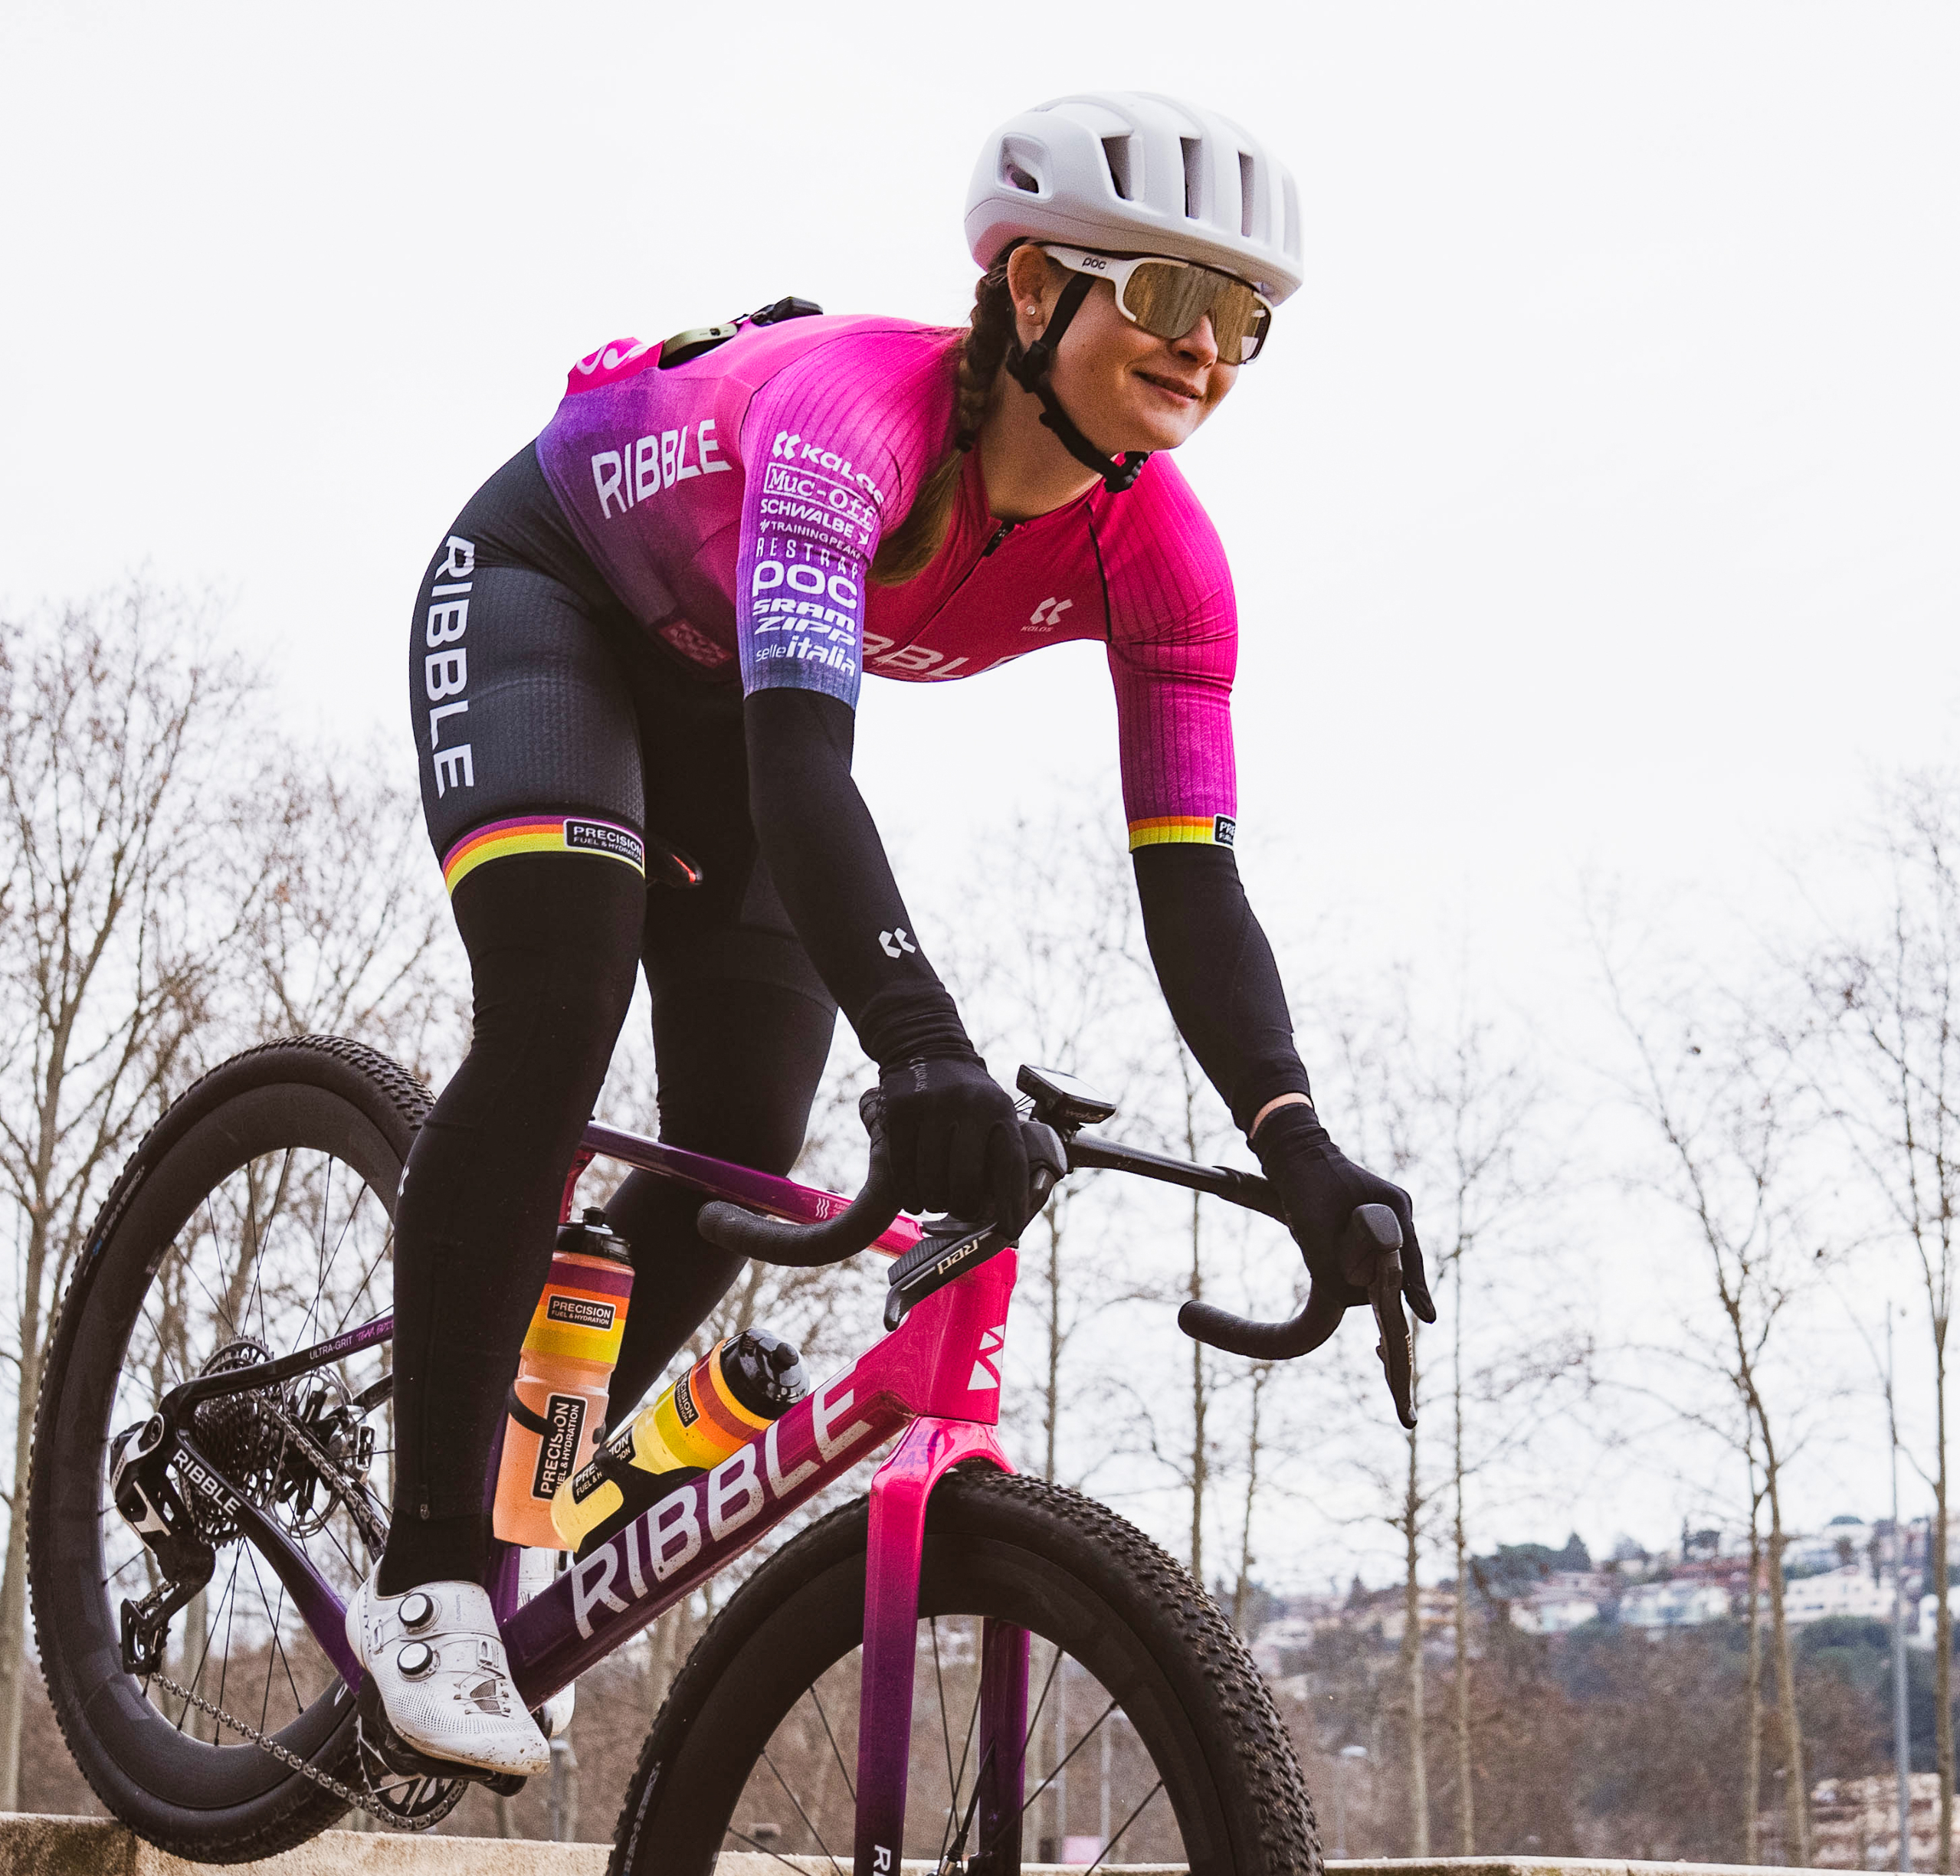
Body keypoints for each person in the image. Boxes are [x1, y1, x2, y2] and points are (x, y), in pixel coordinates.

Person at [365, 91, 1427, 1774]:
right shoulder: (852, 417)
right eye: (1165, 299)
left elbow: (1193, 882)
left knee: (736, 1143)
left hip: (722, 703)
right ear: (1029, 293)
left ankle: (532, 1483)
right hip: (551, 594)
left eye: (1245, 320)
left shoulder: (1165, 560)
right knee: (563, 1000)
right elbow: (807, 762)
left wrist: (1298, 1145)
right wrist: (920, 1041)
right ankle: (427, 1570)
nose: (1208, 350)